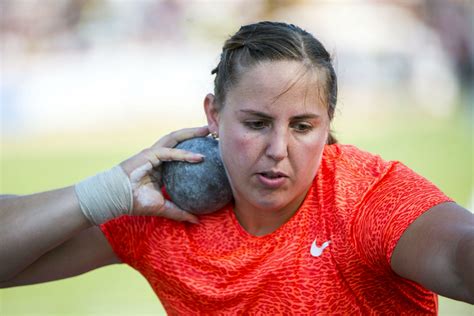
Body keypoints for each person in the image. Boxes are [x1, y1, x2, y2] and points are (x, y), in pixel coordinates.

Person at [0, 21, 473, 314]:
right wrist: (106, 192)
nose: (277, 149)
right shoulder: (159, 208)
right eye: (256, 123)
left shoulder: (365, 197)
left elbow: (459, 259)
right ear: (213, 115)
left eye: (303, 126)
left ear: (328, 122)